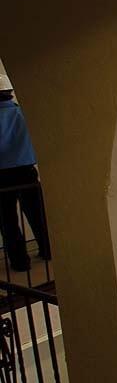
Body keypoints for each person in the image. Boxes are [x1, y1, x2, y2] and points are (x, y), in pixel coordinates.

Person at [0, 75, 50, 271]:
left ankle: (20, 262)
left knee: (7, 220)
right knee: (37, 213)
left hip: (2, 176)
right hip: (27, 171)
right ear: (10, 93)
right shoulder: (23, 113)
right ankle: (47, 250)